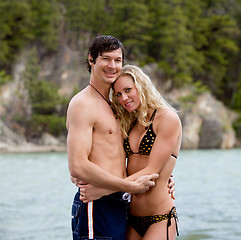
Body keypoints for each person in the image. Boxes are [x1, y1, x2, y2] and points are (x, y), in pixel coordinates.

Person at [66, 35, 160, 240]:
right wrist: (129, 186)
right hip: (96, 205)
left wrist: (162, 176)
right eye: (106, 59)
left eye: (118, 60)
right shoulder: (83, 103)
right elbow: (77, 166)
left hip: (120, 201)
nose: (112, 66)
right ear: (91, 60)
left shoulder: (116, 106)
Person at [79, 65, 182, 240]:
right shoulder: (130, 122)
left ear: (141, 86)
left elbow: (152, 169)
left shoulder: (167, 119)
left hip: (160, 218)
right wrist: (81, 172)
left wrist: (104, 190)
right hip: (129, 216)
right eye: (118, 94)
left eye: (128, 90)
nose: (124, 98)